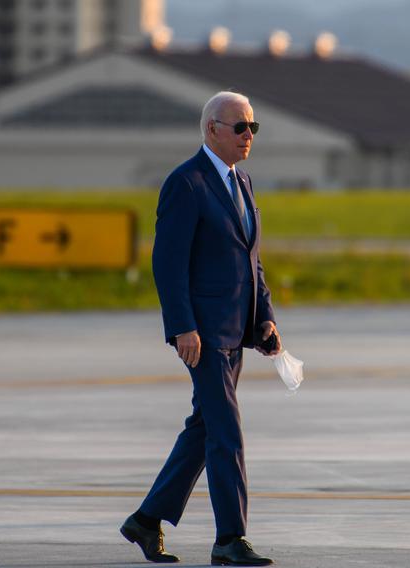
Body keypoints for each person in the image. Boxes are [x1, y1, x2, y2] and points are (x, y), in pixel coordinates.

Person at [120, 91, 280, 566]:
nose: (248, 135)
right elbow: (167, 265)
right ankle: (230, 538)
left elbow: (251, 260)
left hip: (235, 330)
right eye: (240, 127)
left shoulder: (242, 180)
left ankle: (147, 521)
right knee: (226, 432)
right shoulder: (185, 184)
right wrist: (182, 326)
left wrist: (264, 316)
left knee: (205, 427)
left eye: (253, 127)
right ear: (212, 129)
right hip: (203, 335)